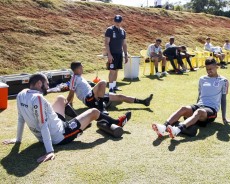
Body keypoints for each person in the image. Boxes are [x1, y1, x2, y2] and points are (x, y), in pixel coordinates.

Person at [2, 73, 131, 163]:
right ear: (39, 83)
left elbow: (20, 119)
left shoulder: (21, 95)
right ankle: (116, 122)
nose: (48, 87)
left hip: (51, 128)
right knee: (94, 111)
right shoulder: (38, 98)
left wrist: (18, 139)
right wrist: (50, 151)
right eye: (46, 84)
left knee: (60, 99)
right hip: (60, 135)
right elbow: (43, 125)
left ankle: (81, 124)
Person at [152, 58, 230, 138]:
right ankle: (163, 127)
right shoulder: (202, 79)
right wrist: (194, 108)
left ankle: (177, 130)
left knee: (199, 111)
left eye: (211, 69)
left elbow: (223, 99)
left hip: (211, 111)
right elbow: (200, 95)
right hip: (200, 106)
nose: (209, 71)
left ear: (216, 66)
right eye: (207, 69)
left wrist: (224, 118)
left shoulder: (223, 81)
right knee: (183, 108)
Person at [67, 62, 153, 115]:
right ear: (77, 69)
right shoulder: (74, 78)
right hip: (89, 99)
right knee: (103, 82)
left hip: (95, 97)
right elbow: (71, 93)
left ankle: (144, 102)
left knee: (120, 96)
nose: (83, 68)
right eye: (81, 67)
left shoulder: (79, 77)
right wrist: (68, 105)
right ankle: (101, 107)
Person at [105, 15, 128, 93]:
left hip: (119, 54)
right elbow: (106, 43)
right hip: (112, 54)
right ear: (113, 21)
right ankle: (111, 88)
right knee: (112, 71)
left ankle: (114, 86)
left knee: (117, 70)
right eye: (116, 21)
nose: (117, 23)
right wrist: (109, 54)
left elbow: (124, 44)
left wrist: (126, 54)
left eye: (119, 21)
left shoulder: (123, 31)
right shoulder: (109, 30)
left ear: (121, 22)